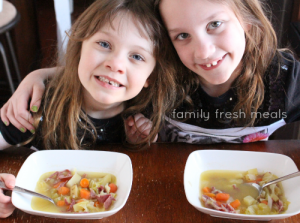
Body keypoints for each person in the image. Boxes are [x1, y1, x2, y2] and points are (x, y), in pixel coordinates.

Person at [2, 0, 300, 144]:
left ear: (246, 21)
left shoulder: (284, 80)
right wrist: (40, 77)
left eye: (215, 24)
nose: (204, 52)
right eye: (182, 35)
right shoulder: (167, 80)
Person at [0, 0, 179, 217]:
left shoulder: (146, 113)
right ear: (80, 46)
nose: (116, 64)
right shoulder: (39, 104)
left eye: (136, 56)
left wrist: (139, 143)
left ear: (150, 77)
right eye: (104, 44)